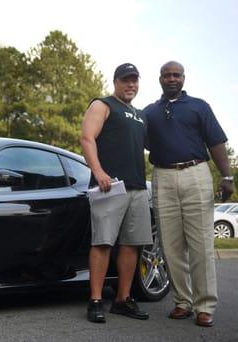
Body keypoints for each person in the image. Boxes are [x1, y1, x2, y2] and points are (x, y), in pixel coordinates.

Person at [143, 61, 235, 327]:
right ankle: (183, 301)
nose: (171, 79)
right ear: (159, 79)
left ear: (183, 78)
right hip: (162, 176)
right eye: (166, 75)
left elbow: (216, 142)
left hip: (196, 173)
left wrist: (227, 176)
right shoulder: (149, 112)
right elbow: (145, 142)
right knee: (170, 246)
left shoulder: (199, 106)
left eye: (176, 75)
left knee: (201, 244)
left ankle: (204, 305)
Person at [80, 63, 152, 323]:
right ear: (116, 81)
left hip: (137, 187)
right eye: (126, 80)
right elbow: (87, 138)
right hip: (109, 186)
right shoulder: (103, 104)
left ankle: (122, 299)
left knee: (132, 244)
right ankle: (96, 300)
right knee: (102, 242)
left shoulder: (140, 115)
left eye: (134, 80)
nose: (131, 84)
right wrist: (98, 171)